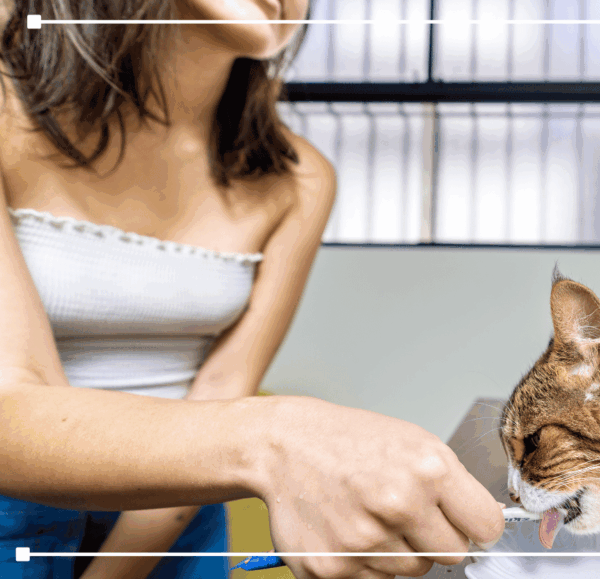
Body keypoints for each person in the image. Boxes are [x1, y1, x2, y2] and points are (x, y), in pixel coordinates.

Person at [0, 1, 505, 578]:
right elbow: (9, 405)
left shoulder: (300, 178)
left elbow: (221, 388)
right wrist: (276, 437)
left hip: (173, 518)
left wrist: (120, 570)